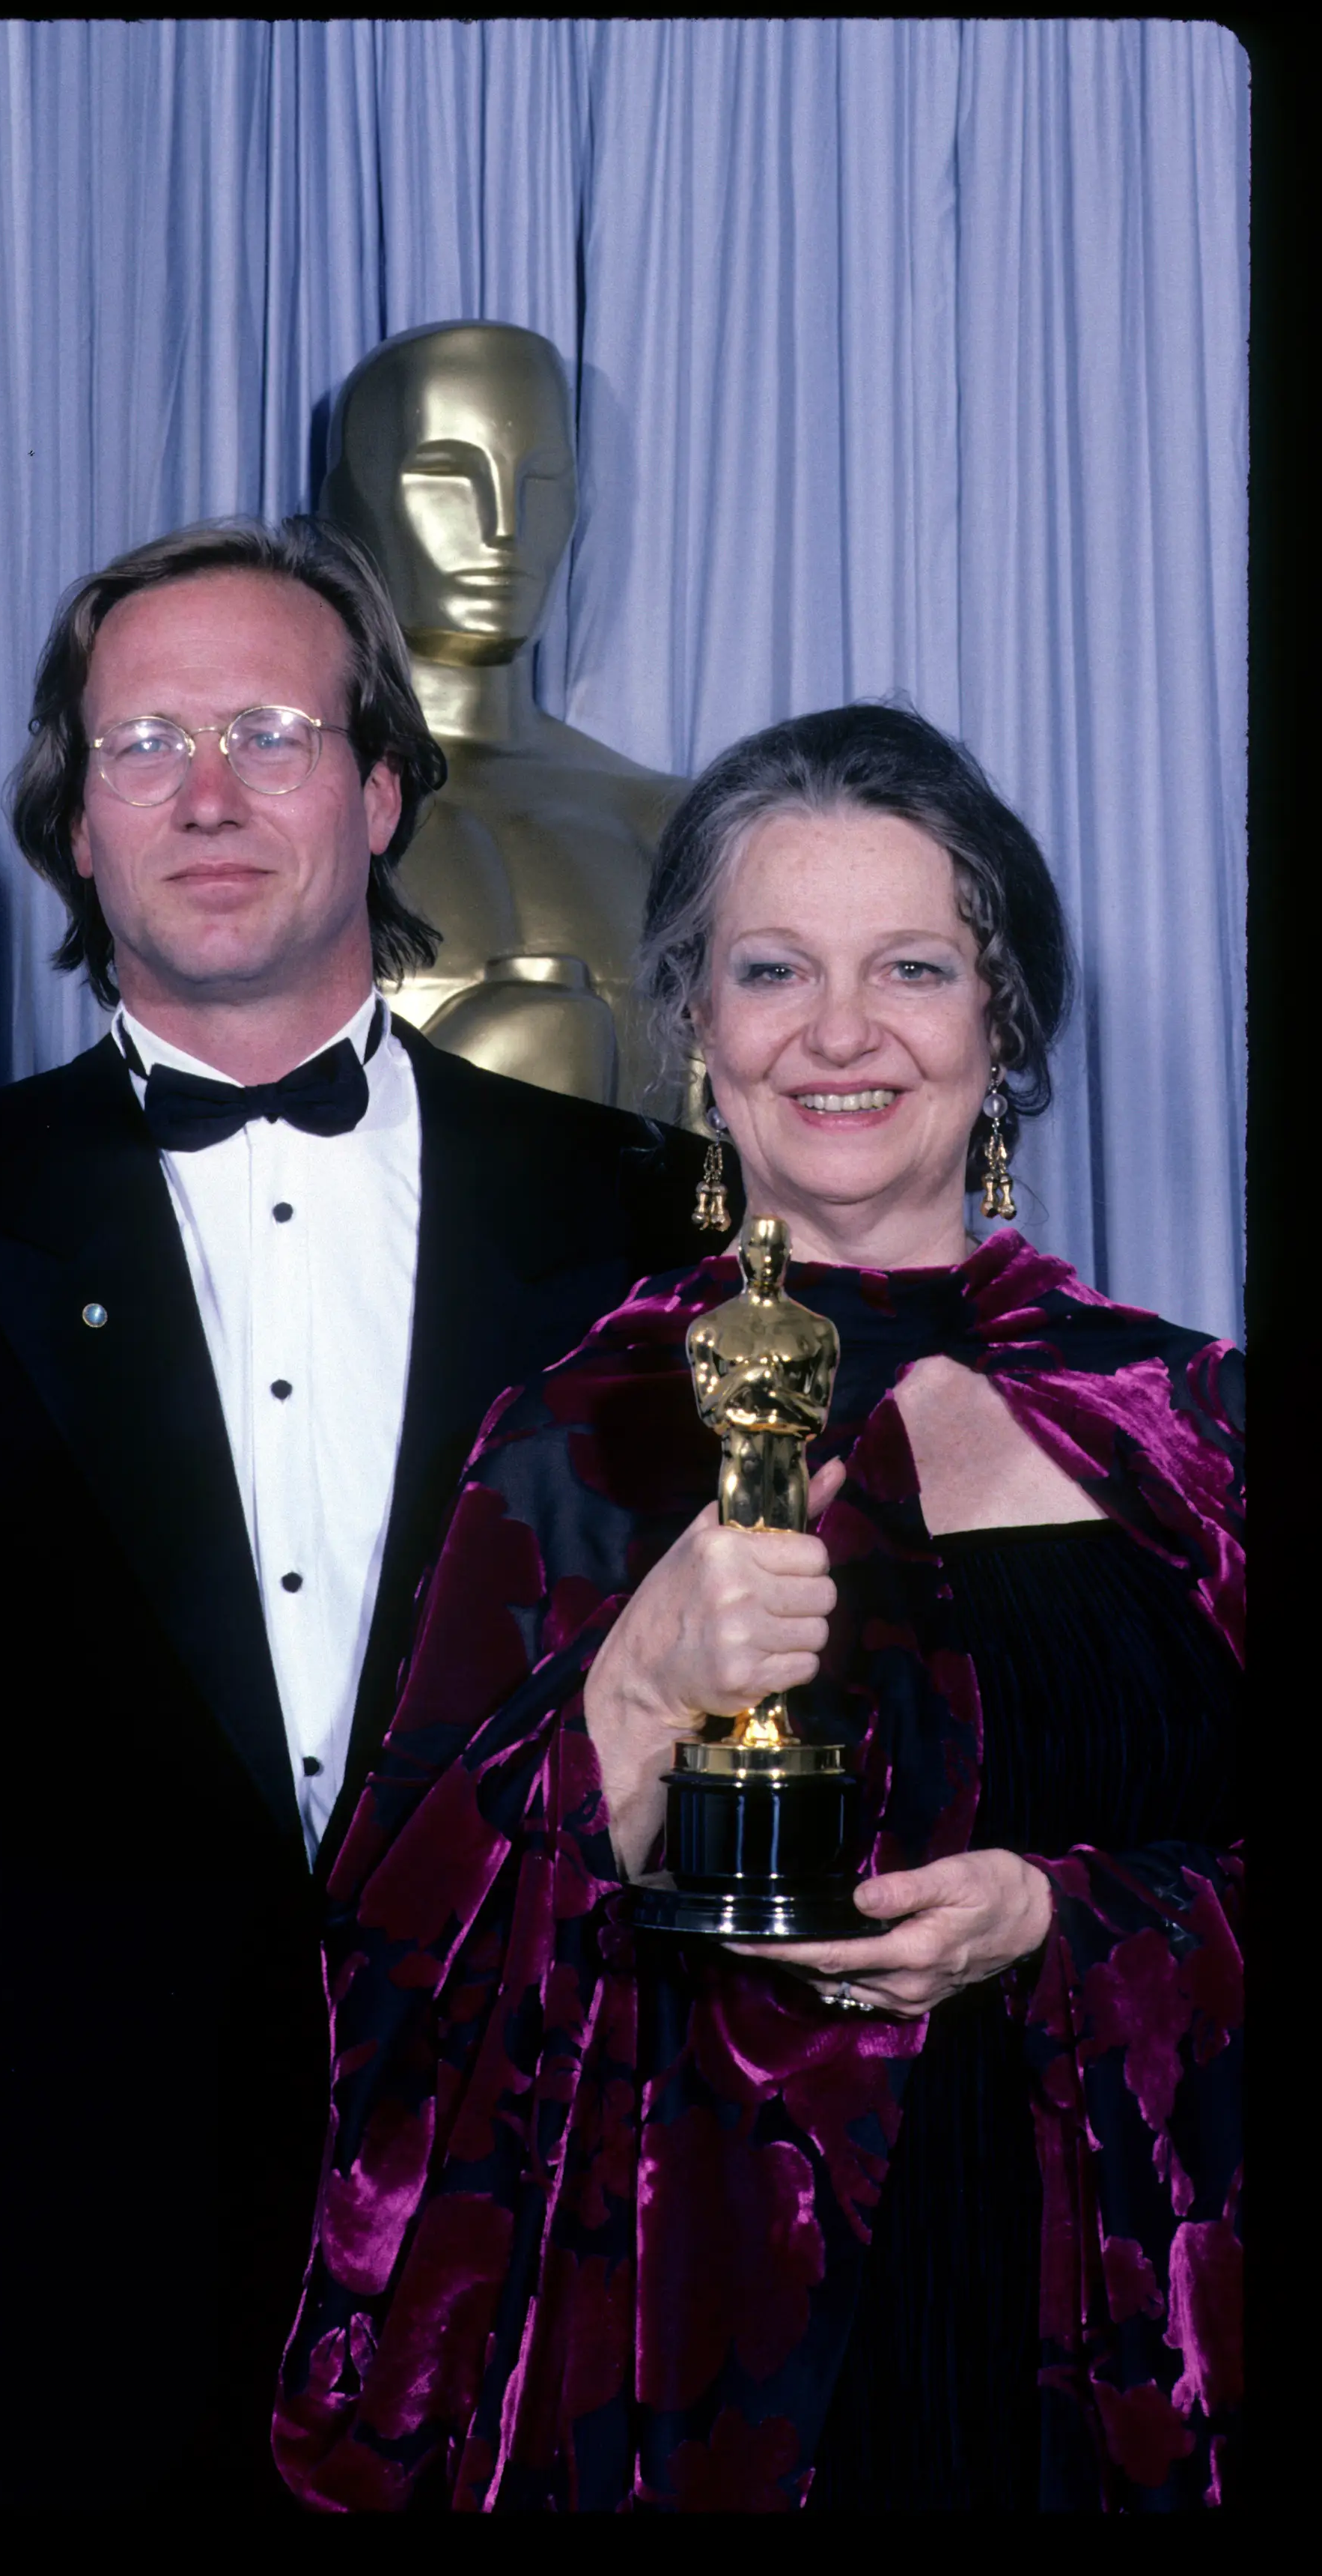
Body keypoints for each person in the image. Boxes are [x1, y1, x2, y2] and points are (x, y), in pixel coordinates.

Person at [0, 516, 710, 2512]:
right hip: (78, 2263)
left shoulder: (638, 1203)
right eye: (138, 745)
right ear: (70, 829)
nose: (203, 791)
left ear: (374, 788)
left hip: (542, 2219)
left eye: (265, 730)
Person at [274, 701, 1243, 2513]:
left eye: (916, 966)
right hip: (701, 2354)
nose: (843, 1032)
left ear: (1000, 1022)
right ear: (696, 1025)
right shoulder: (577, 1428)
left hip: (1115, 2360)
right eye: (774, 967)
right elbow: (391, 1954)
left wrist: (1059, 1912)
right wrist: (630, 1694)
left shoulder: (1196, 1429)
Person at [321, 322, 684, 1109]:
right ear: (349, 502)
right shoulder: (292, 818)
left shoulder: (670, 825)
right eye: (448, 475)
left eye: (543, 482)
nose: (503, 528)